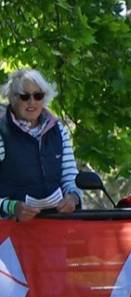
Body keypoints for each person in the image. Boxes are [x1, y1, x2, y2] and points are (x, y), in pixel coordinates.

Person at [1, 69, 79, 222]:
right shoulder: (2, 131)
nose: (32, 102)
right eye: (24, 96)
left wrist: (73, 198)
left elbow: (71, 178)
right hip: (10, 232)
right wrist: (12, 207)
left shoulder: (59, 130)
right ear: (12, 98)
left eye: (38, 96)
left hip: (55, 228)